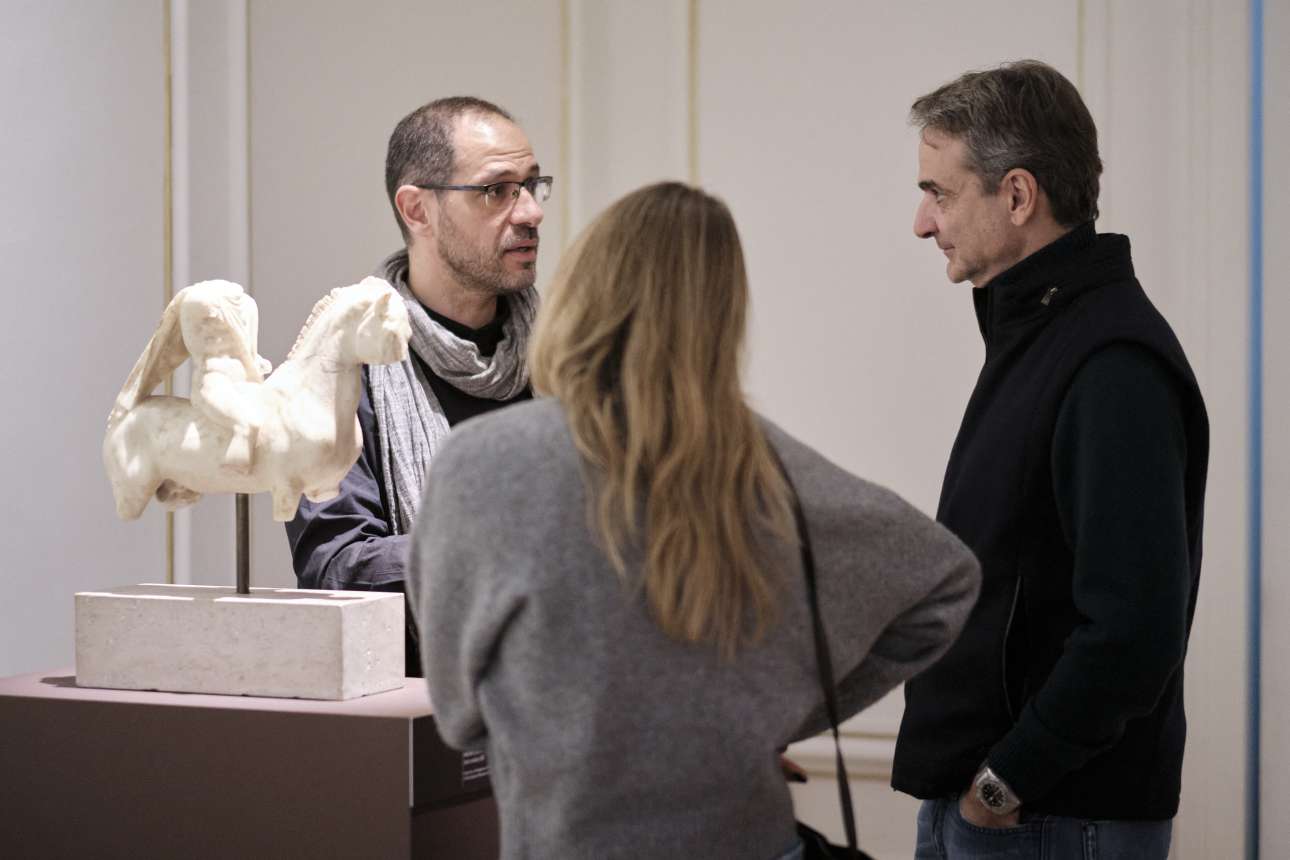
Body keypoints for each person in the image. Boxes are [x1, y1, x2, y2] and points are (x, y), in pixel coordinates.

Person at [407, 182, 981, 859]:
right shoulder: (771, 467)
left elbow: (459, 715)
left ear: (581, 294)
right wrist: (765, 717)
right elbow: (946, 580)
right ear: (722, 315)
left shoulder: (485, 463)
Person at [891, 60, 1210, 859]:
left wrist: (1002, 787)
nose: (923, 223)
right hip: (1004, 808)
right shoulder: (1041, 337)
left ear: (1018, 196)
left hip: (1043, 818)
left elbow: (1134, 631)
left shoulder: (1111, 364)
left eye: (940, 193)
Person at [286, 96, 551, 675]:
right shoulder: (346, 368)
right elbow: (333, 567)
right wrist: (498, 552)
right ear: (417, 210)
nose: (530, 212)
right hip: (419, 708)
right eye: (497, 190)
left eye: (532, 186)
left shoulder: (572, 360)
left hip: (577, 702)